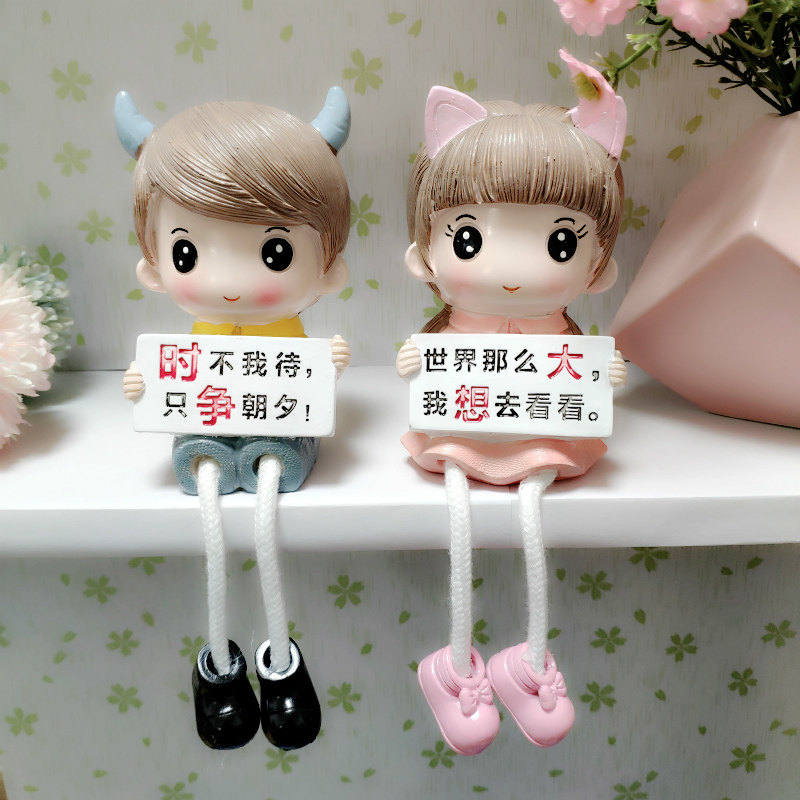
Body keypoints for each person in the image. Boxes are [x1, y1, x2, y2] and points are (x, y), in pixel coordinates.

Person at [115, 87, 351, 751]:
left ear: (327, 264)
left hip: (281, 421)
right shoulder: (195, 336)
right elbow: (172, 385)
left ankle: (279, 658)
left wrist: (325, 365)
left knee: (275, 461)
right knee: (206, 466)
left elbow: (305, 383)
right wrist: (143, 382)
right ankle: (218, 662)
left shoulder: (287, 331)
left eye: (274, 253)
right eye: (188, 253)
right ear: (155, 264)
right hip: (206, 419)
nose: (229, 282)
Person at [397, 79, 627, 755]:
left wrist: (602, 373)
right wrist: (415, 360)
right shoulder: (451, 329)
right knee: (461, 506)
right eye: (470, 238)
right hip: (459, 433)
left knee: (531, 514)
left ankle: (526, 662)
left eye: (560, 244)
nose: (513, 271)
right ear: (426, 250)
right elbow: (424, 363)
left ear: (598, 264)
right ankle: (453, 663)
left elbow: (582, 374)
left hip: (545, 438)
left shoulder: (562, 335)